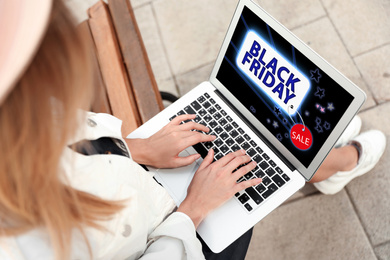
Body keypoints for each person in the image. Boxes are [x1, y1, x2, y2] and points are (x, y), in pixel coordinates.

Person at [0, 0, 385, 259]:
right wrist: (194, 210)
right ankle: (331, 161)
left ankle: (315, 147)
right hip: (182, 238)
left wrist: (134, 149)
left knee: (255, 134)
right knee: (270, 165)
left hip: (137, 179)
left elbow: (57, 139)